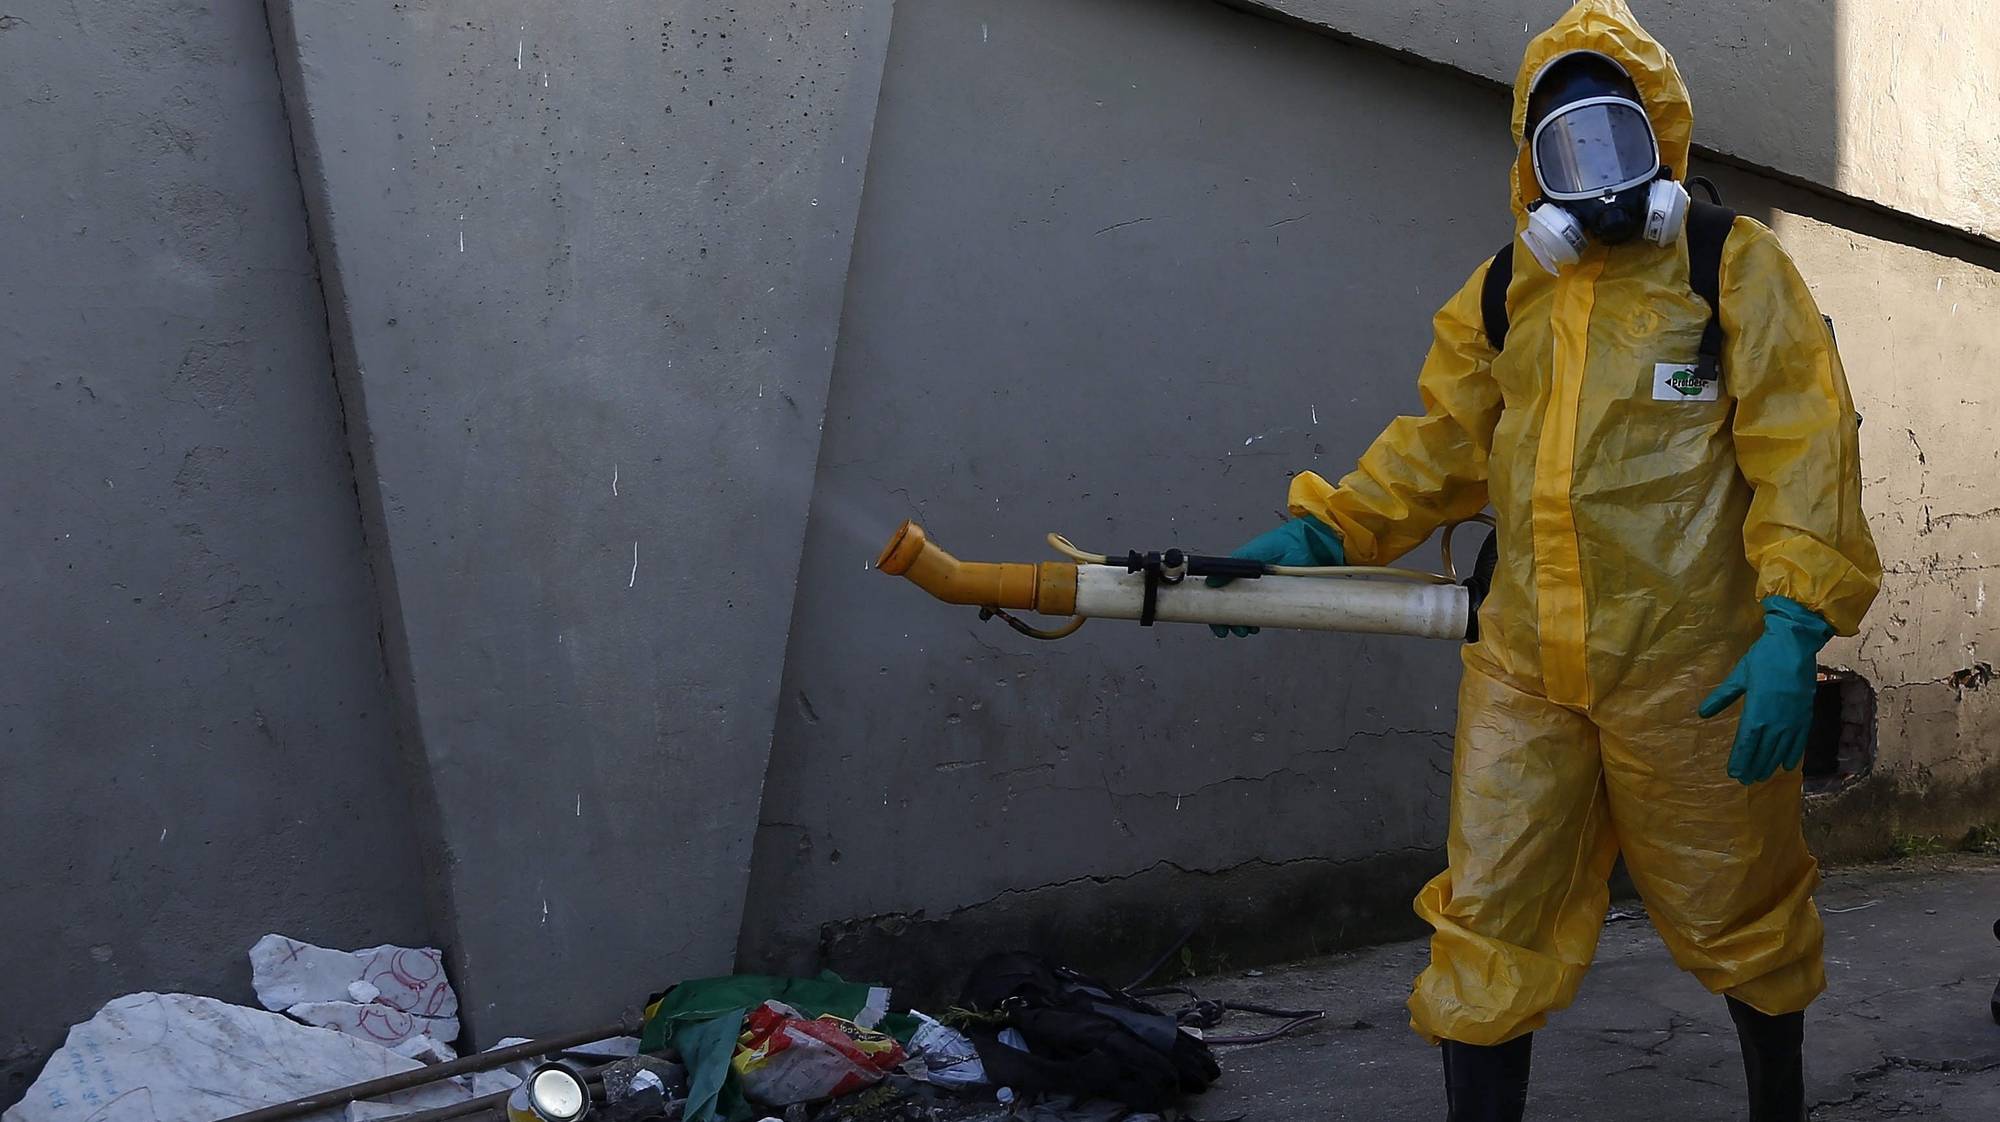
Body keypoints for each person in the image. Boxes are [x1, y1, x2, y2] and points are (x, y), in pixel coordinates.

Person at [1212, 3, 1880, 1119]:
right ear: (1529, 168)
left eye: (1615, 140)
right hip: (1522, 668)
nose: (1595, 179)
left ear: (1660, 141)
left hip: (1692, 671)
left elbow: (1804, 444)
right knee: (1487, 920)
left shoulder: (1728, 266)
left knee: (1740, 907)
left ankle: (1779, 1106)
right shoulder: (1501, 292)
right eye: (1563, 150)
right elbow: (1436, 448)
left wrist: (1791, 624)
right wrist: (1322, 532)